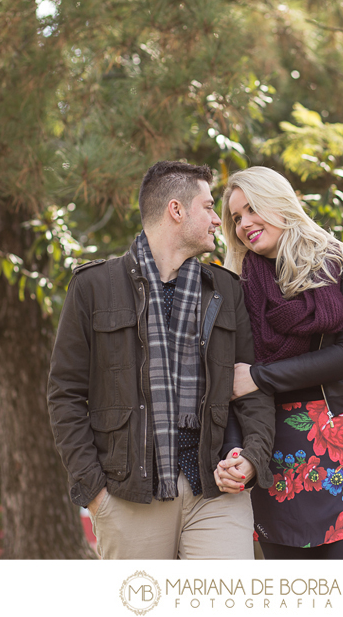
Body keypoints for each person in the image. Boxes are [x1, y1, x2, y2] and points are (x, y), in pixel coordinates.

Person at [47, 160, 275, 559]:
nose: (216, 221)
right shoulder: (93, 288)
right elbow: (64, 395)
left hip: (216, 491)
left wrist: (253, 458)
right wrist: (96, 493)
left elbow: (249, 386)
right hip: (129, 496)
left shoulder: (226, 290)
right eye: (207, 208)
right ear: (176, 210)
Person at [215, 166, 343, 560]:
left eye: (253, 208)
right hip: (277, 461)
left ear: (279, 203)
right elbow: (232, 385)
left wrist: (260, 377)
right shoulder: (239, 289)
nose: (244, 224)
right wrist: (240, 454)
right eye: (236, 217)